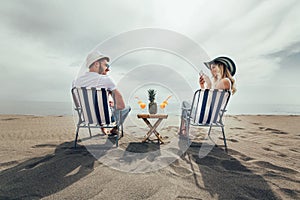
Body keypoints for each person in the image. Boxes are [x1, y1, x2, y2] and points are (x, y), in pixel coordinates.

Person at [73, 51, 131, 135]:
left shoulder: (76, 82)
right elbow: (121, 106)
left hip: (86, 117)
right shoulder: (106, 80)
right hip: (106, 118)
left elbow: (78, 105)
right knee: (127, 108)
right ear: (96, 64)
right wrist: (110, 103)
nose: (107, 68)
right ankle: (115, 128)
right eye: (106, 65)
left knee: (98, 108)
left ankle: (104, 127)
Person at [179, 56, 237, 136]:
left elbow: (209, 102)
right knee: (187, 104)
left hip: (206, 117)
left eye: (213, 67)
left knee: (185, 104)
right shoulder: (223, 82)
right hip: (212, 116)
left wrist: (209, 84)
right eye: (211, 68)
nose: (212, 70)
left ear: (221, 67)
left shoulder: (224, 81)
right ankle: (184, 130)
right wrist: (203, 86)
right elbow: (209, 100)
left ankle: (183, 131)